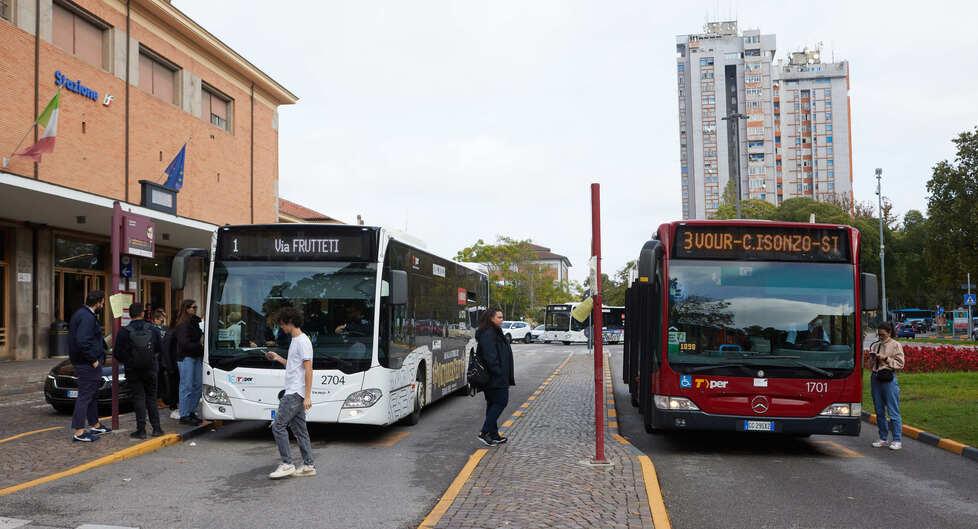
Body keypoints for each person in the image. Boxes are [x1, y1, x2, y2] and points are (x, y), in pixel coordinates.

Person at [263, 307, 316, 479]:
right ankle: (308, 465)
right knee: (300, 430)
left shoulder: (302, 342)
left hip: (294, 393)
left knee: (278, 426)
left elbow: (309, 370)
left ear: (290, 322)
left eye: (282, 324)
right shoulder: (296, 340)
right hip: (296, 391)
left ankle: (287, 464)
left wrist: (307, 396)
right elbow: (294, 366)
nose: (281, 328)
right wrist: (278, 358)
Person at [114, 303, 164, 439]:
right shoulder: (153, 329)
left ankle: (141, 430)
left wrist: (129, 361)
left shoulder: (124, 331)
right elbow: (160, 348)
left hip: (133, 370)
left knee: (138, 398)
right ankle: (157, 428)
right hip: (151, 368)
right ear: (143, 313)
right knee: (151, 398)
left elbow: (117, 353)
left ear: (130, 314)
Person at [67, 290, 112, 442]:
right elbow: (82, 341)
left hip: (84, 362)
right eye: (103, 301)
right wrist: (93, 360)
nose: (103, 304)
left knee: (92, 394)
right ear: (98, 302)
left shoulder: (81, 314)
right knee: (86, 396)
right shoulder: (87, 317)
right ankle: (79, 431)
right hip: (87, 363)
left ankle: (95, 424)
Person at [475, 307, 515, 446]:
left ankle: (493, 435)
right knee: (501, 402)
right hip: (494, 377)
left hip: (496, 376)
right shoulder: (488, 333)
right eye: (499, 317)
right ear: (491, 318)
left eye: (502, 317)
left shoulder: (494, 331)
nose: (502, 320)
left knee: (492, 404)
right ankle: (484, 432)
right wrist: (498, 372)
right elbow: (490, 356)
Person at [869, 322, 906, 450]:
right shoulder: (876, 345)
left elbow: (900, 364)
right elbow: (871, 363)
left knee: (893, 410)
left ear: (889, 333)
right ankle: (883, 438)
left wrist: (885, 358)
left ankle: (897, 439)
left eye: (883, 335)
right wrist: (873, 358)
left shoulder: (896, 345)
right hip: (876, 377)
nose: (880, 337)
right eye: (879, 335)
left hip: (889, 378)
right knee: (879, 410)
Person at [173, 299, 204, 426]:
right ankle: (184, 414)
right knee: (187, 386)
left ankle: (191, 411)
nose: (195, 309)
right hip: (186, 357)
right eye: (193, 307)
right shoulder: (182, 324)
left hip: (196, 356)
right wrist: (200, 346)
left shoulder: (196, 322)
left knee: (197, 386)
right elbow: (184, 343)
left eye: (196, 307)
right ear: (186, 308)